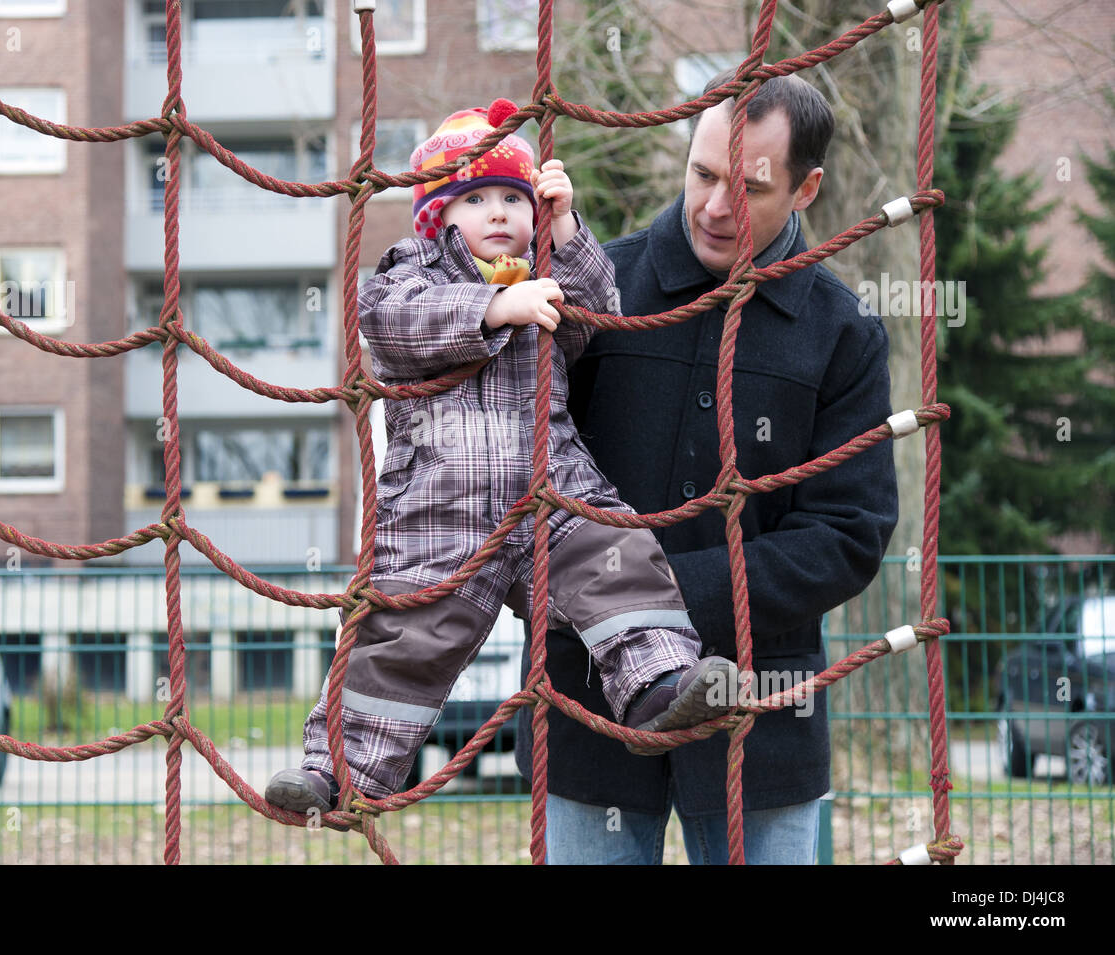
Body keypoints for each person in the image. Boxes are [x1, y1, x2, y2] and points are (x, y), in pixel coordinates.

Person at [264, 99, 738, 816]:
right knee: (403, 641)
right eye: (475, 198)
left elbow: (596, 308)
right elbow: (389, 325)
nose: (497, 213)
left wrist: (566, 229)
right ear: (438, 215)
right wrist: (491, 307)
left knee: (622, 556)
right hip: (440, 509)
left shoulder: (544, 271)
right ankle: (337, 773)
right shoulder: (413, 269)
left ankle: (658, 687)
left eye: (513, 199)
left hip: (554, 491)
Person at [516, 70, 900, 864]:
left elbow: (849, 535)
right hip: (587, 707)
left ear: (807, 189)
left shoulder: (842, 332)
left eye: (750, 187)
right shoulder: (593, 292)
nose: (716, 207)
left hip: (760, 725)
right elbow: (524, 478)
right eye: (703, 174)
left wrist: (659, 593)